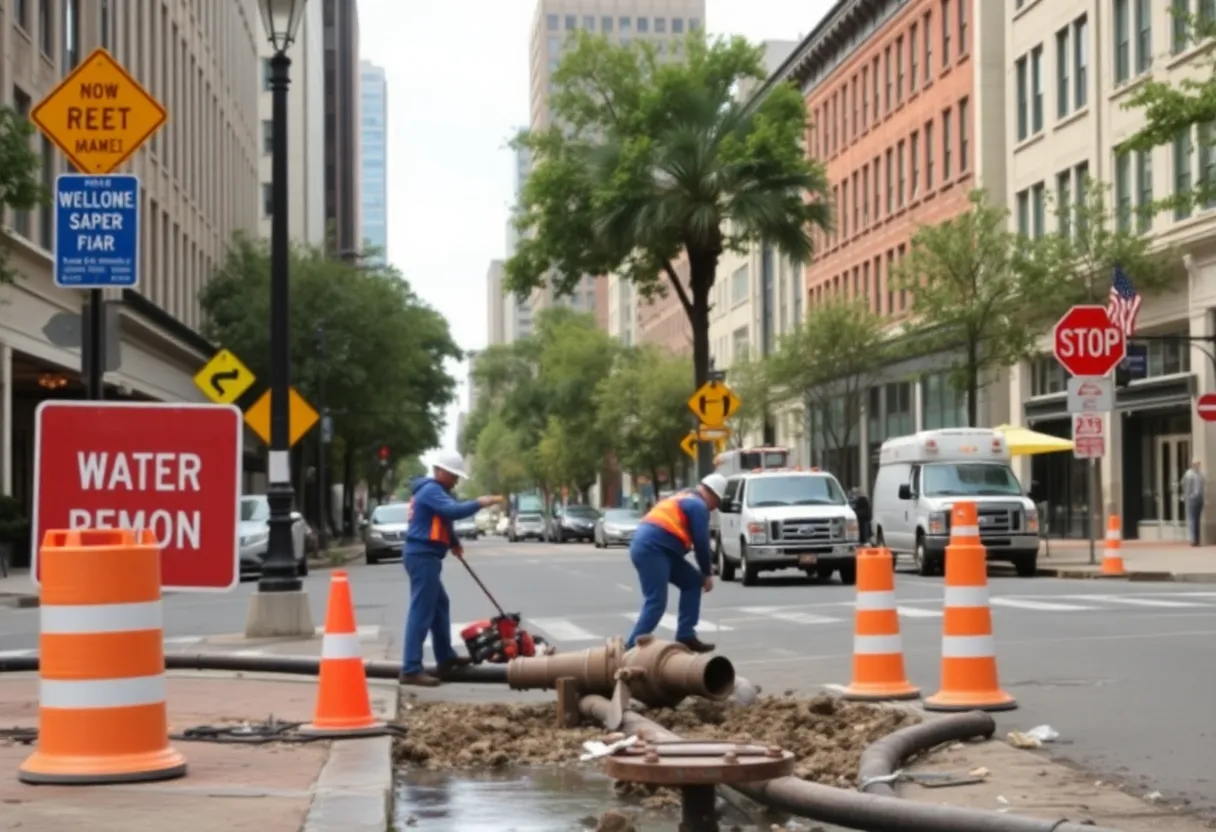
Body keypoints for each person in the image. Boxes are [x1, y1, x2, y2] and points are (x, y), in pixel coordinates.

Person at [400, 451, 504, 687]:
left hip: (426, 554)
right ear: (441, 471)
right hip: (422, 555)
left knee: (439, 605)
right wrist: (480, 502)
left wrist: (454, 542)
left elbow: (444, 520)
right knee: (421, 610)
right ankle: (411, 668)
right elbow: (452, 512)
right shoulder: (430, 490)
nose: (457, 480)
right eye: (454, 475)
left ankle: (445, 658)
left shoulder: (436, 491)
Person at [624, 474, 726, 654]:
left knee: (692, 582)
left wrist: (701, 576)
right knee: (656, 601)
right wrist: (707, 573)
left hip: (661, 549)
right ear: (713, 495)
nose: (714, 509)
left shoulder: (685, 496)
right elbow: (701, 543)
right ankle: (630, 648)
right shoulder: (698, 506)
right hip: (653, 549)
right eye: (716, 503)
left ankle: (685, 635)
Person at [1181, 460, 1206, 547]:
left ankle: (1197, 539)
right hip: (1192, 498)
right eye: (1196, 464)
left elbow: (1203, 486)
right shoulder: (1189, 474)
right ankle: (1192, 539)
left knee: (1197, 520)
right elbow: (1184, 484)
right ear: (1192, 465)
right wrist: (1187, 496)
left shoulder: (1201, 474)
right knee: (1192, 519)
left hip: (1199, 498)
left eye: (1199, 464)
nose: (1198, 466)